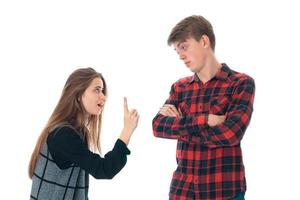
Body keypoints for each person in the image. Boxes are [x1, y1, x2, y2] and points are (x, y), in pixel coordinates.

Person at [152, 15, 255, 200]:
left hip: (225, 192)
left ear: (204, 41)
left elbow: (231, 134)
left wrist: (181, 125)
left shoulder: (240, 83)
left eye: (184, 47)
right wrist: (206, 120)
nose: (181, 55)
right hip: (182, 191)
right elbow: (158, 126)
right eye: (177, 51)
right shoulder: (179, 87)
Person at [28, 67, 139, 199]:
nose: (103, 96)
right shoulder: (63, 135)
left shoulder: (75, 131)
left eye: (102, 91)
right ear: (78, 95)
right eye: (97, 90)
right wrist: (127, 131)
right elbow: (104, 169)